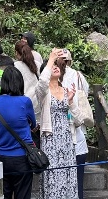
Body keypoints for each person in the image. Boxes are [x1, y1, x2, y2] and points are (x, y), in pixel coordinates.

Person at [36, 49, 81, 199]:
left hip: (67, 141)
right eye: (52, 66)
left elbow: (79, 120)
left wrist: (71, 102)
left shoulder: (66, 90)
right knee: (53, 177)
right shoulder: (44, 93)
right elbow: (41, 82)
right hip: (51, 140)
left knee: (69, 177)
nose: (55, 67)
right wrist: (50, 59)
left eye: (57, 65)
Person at [0, 67, 37, 199]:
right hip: (21, 158)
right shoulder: (25, 101)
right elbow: (33, 124)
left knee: (2, 195)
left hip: (0, 158)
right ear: (20, 82)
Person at [61, 50, 91, 199]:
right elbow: (86, 91)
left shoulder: (54, 77)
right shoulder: (78, 75)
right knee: (78, 176)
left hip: (62, 127)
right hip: (78, 125)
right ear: (70, 61)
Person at [13, 40, 40, 115]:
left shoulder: (16, 65)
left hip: (24, 102)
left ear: (16, 52)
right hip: (37, 102)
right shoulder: (37, 64)